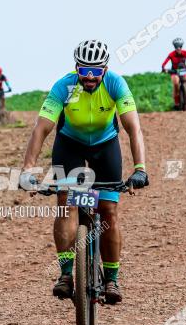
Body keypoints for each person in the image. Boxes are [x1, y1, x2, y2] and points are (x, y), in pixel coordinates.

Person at [20, 40, 147, 305]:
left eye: (96, 71)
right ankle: (66, 274)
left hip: (105, 146)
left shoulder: (116, 84)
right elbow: (41, 129)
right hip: (70, 146)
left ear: (105, 69)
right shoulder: (63, 86)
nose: (89, 77)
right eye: (84, 70)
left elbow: (133, 128)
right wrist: (28, 169)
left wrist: (140, 169)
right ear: (76, 68)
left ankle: (112, 278)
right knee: (67, 204)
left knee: (108, 210)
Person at [161, 38, 186, 110]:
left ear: (182, 47)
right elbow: (164, 63)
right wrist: (164, 69)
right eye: (176, 47)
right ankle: (176, 103)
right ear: (174, 47)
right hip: (174, 72)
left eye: (180, 47)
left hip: (184, 71)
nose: (178, 49)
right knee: (176, 84)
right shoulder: (171, 54)